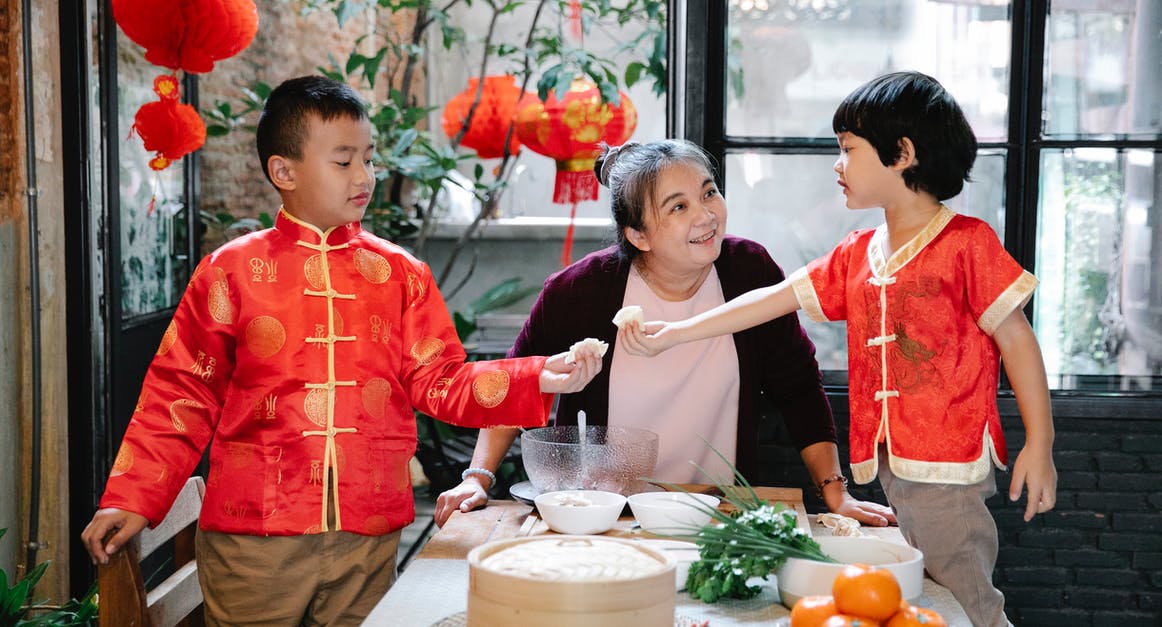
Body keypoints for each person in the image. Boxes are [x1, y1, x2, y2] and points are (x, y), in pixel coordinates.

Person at [80, 75, 603, 624]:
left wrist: (543, 375)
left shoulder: (402, 274)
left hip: (367, 537)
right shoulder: (230, 271)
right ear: (283, 172)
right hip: (254, 538)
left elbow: (440, 380)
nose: (365, 176)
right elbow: (181, 390)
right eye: (344, 161)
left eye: (369, 160)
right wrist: (133, 496)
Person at [619, 72, 1057, 627]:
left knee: (967, 599)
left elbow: (1017, 338)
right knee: (924, 601)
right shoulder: (858, 252)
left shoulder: (967, 243)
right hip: (896, 465)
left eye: (848, 149)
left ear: (901, 154)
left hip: (949, 464)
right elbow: (774, 299)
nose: (838, 163)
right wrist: (676, 332)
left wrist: (1038, 443)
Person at [435, 139, 895, 529]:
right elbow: (518, 382)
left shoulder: (748, 271)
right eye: (679, 207)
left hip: (716, 511)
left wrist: (836, 493)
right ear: (638, 235)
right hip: (603, 516)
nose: (707, 215)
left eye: (709, 193)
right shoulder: (581, 291)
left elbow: (798, 387)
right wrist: (476, 478)